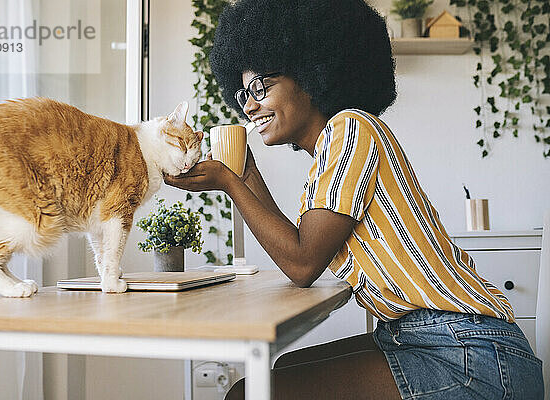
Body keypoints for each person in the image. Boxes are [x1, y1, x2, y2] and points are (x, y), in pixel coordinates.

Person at [164, 0, 544, 398]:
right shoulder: (330, 155)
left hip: (471, 354)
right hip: (423, 336)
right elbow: (298, 246)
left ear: (312, 75)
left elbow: (302, 263)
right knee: (280, 369)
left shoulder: (350, 128)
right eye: (243, 94)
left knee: (248, 393)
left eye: (261, 86)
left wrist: (229, 183)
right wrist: (247, 175)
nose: (250, 105)